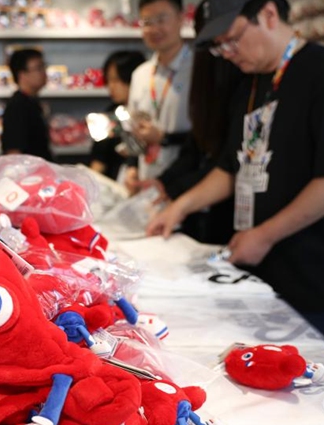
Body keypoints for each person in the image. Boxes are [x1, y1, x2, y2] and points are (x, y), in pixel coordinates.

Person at [146, 0, 324, 354]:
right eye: (220, 45)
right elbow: (231, 168)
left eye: (232, 39)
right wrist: (179, 207)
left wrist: (264, 235)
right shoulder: (251, 86)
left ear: (268, 14)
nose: (227, 53)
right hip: (266, 273)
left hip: (321, 276)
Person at [144, 0, 242, 244]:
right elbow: (200, 141)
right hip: (198, 199)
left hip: (226, 208)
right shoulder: (207, 62)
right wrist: (166, 183)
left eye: (161, 19)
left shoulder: (233, 70)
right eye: (147, 22)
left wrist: (176, 193)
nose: (225, 49)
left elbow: (229, 162)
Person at [125, 0, 193, 190]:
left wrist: (164, 138)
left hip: (187, 184)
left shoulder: (199, 71)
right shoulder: (140, 74)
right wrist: (132, 168)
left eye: (161, 19)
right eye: (147, 22)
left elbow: (209, 137)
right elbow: (133, 128)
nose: (154, 29)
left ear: (181, 18)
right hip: (147, 181)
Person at [89, 50, 145, 180]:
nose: (111, 86)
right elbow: (98, 160)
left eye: (116, 80)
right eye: (108, 80)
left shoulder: (146, 114)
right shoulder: (110, 114)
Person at [1, 48, 53, 161]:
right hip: (30, 176)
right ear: (22, 74)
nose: (44, 72)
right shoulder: (17, 107)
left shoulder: (32, 103)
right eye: (38, 68)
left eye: (44, 66)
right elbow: (13, 152)